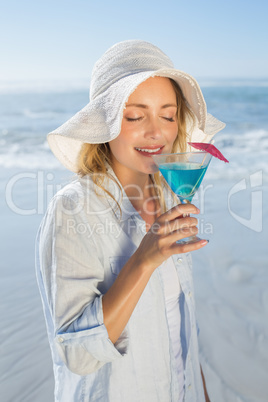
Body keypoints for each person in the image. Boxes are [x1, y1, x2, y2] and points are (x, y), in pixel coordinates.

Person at [36, 40, 225, 402]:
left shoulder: (170, 196)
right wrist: (143, 260)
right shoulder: (72, 209)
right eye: (136, 116)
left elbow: (180, 320)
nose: (157, 132)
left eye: (168, 115)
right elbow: (77, 354)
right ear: (103, 124)